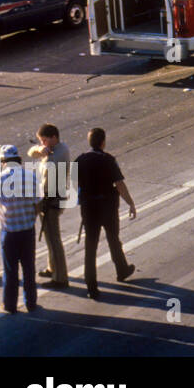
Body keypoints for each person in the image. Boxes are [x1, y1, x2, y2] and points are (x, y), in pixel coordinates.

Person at [0, 146, 41, 313]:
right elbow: (37, 202)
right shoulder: (31, 176)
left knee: (10, 270)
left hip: (9, 232)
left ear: (4, 162)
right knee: (29, 267)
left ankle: (10, 305)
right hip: (27, 230)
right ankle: (31, 302)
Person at [75, 128, 136, 301]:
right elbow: (119, 184)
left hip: (89, 208)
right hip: (108, 207)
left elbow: (71, 184)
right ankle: (122, 269)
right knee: (113, 239)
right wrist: (130, 203)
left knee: (90, 246)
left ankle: (91, 286)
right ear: (103, 142)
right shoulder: (108, 160)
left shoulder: (80, 159)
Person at [28, 124, 69, 288]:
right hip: (48, 198)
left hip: (52, 199)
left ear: (53, 137)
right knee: (49, 236)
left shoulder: (58, 154)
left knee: (54, 239)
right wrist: (40, 149)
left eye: (44, 140)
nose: (43, 143)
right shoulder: (53, 149)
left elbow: (46, 166)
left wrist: (42, 153)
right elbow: (31, 152)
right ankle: (53, 268)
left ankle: (60, 278)